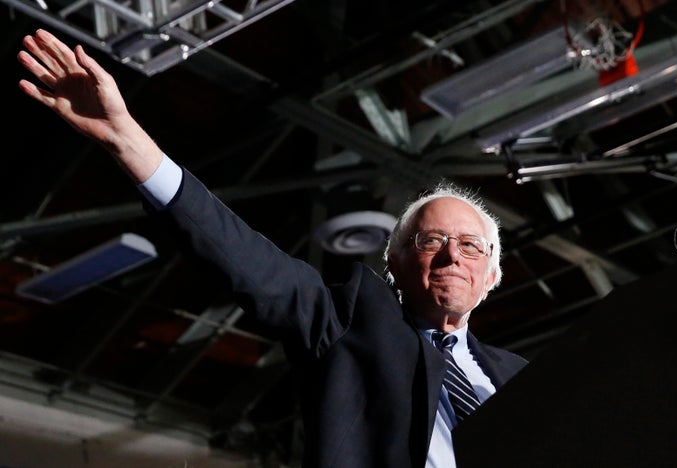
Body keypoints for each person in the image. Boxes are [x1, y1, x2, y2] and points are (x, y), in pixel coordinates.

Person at [16, 29, 528, 467]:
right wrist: (125, 138)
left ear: (492, 275)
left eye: (470, 246)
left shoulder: (523, 376)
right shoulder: (348, 316)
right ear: (393, 262)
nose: (452, 255)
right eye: (431, 239)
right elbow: (240, 255)